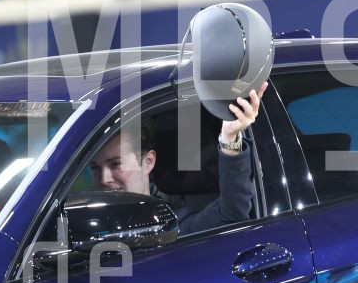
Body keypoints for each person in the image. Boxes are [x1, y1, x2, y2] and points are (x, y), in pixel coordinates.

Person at [88, 83, 266, 236]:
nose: (104, 179)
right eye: (95, 168)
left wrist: (229, 138)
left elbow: (231, 216)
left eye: (116, 164)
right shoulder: (87, 226)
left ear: (148, 162)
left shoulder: (174, 226)